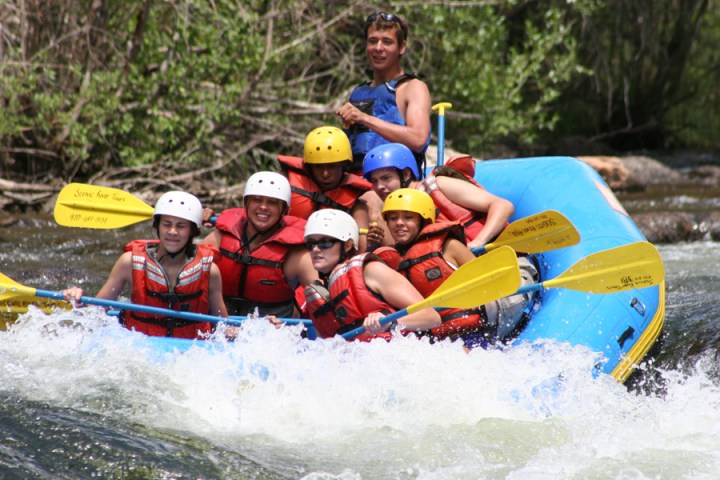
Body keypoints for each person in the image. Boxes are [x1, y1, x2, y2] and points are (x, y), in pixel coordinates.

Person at [378, 188, 539, 347]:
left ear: (423, 220)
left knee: (519, 282)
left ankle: (526, 270)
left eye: (408, 217)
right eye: (392, 218)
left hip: (484, 321)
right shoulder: (393, 263)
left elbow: (487, 279)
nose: (399, 223)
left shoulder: (448, 247)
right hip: (442, 335)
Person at [63, 191, 228, 339]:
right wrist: (78, 300)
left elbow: (222, 325)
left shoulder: (210, 271)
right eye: (167, 224)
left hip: (189, 351)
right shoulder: (129, 263)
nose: (172, 231)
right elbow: (96, 310)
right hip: (140, 348)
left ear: (193, 231)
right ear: (157, 226)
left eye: (181, 226)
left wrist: (234, 333)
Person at [302, 208, 440, 341]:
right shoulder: (319, 296)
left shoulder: (371, 271)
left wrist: (390, 323)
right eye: (310, 244)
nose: (315, 249)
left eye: (325, 243)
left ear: (348, 245)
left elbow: (431, 317)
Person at [201, 171, 319, 318]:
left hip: (271, 333)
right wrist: (191, 225)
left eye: (272, 202)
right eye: (257, 200)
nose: (263, 207)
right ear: (246, 204)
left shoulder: (297, 256)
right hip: (221, 325)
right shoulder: (218, 239)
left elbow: (322, 300)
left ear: (285, 210)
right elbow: (186, 271)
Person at [363, 142, 515, 251]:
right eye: (374, 181)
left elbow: (503, 206)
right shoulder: (395, 213)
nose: (379, 187)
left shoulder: (438, 185)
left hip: (499, 255)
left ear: (406, 174)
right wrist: (374, 245)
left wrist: (478, 242)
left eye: (386, 178)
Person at [336, 12, 431, 174]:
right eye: (373, 41)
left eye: (387, 42)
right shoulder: (358, 93)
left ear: (401, 47)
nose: (378, 48)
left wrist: (365, 119)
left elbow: (418, 139)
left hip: (395, 183)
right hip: (355, 180)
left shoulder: (413, 88)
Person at [276, 126, 381, 252]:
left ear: (344, 165)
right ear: (309, 167)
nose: (325, 174)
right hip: (288, 253)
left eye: (332, 167)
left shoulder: (356, 203)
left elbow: (361, 247)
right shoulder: (284, 182)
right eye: (319, 167)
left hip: (328, 259)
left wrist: (371, 242)